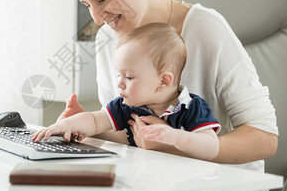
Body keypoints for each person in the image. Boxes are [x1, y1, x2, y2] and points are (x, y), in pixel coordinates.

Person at [57, 0, 278, 191]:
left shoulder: (205, 28)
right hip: (155, 186)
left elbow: (265, 138)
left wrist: (178, 146)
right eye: (86, 4)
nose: (97, 18)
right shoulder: (106, 39)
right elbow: (135, 136)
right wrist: (86, 127)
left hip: (221, 189)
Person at [34, 23, 221, 161]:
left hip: (188, 189)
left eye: (129, 77)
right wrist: (66, 124)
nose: (120, 84)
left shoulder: (190, 106)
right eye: (118, 75)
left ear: (163, 81)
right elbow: (94, 120)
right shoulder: (127, 105)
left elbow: (212, 147)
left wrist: (177, 137)